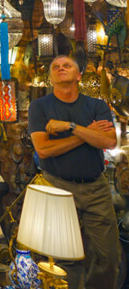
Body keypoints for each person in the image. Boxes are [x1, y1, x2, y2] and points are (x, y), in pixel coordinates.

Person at [28, 54, 120, 289]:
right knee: (64, 257)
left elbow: (109, 142)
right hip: (57, 186)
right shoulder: (40, 107)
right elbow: (44, 149)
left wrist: (70, 127)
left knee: (107, 257)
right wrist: (87, 133)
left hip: (95, 187)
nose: (61, 68)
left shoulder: (96, 105)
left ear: (78, 75)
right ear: (50, 77)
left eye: (66, 65)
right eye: (55, 67)